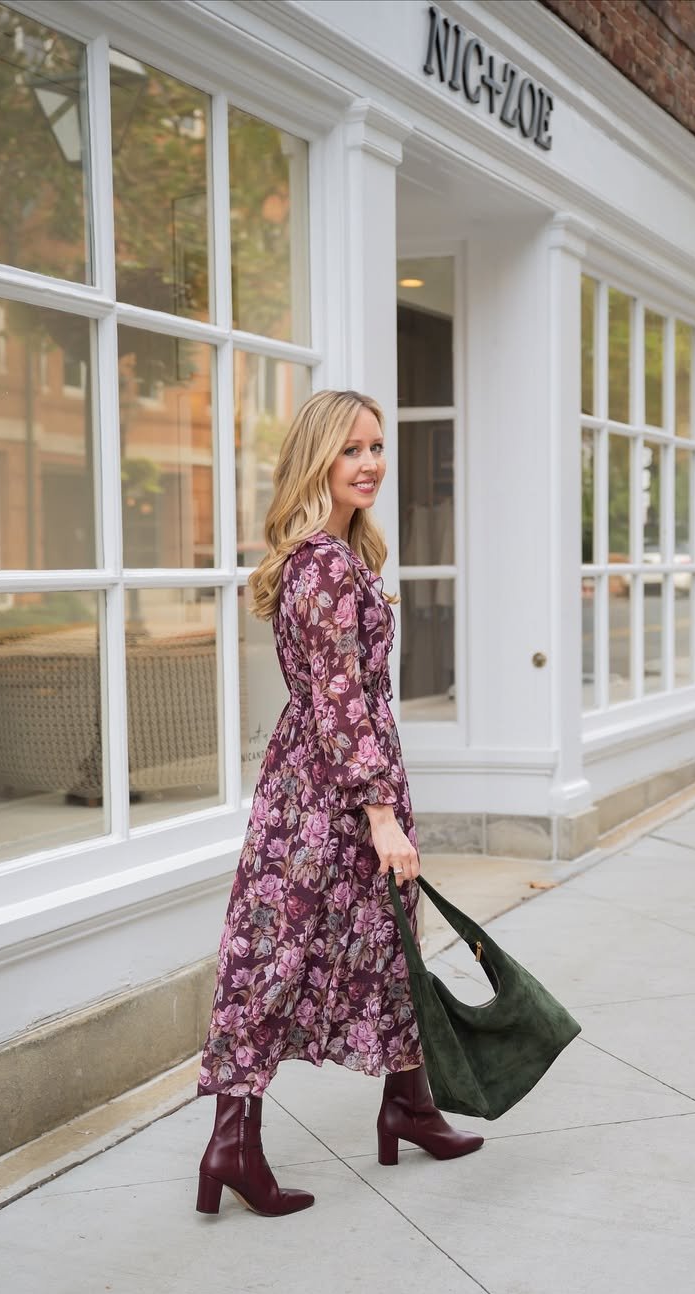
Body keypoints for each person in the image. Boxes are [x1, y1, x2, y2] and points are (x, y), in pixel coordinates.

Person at [196, 390, 483, 1218]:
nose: (370, 464)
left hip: (338, 779)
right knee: (277, 956)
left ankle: (409, 1105)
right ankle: (232, 1143)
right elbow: (339, 696)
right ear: (317, 459)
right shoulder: (322, 564)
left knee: (391, 941)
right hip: (329, 795)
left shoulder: (342, 555)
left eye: (377, 447)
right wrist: (379, 814)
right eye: (352, 449)